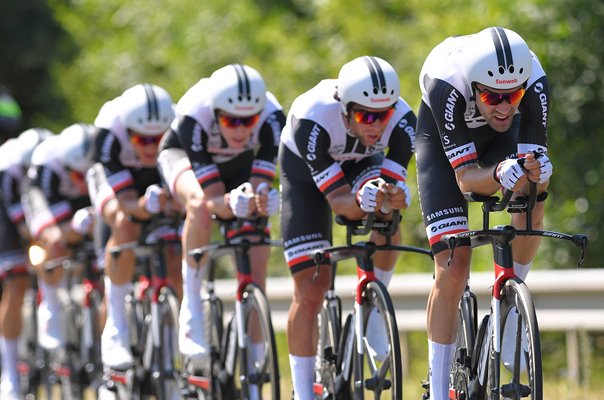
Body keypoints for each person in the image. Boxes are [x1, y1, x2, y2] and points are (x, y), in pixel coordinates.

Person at [415, 27, 552, 399]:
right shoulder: (448, 84)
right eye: (493, 96)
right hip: (446, 150)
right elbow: (465, 181)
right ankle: (439, 387)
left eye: (514, 96)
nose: (506, 106)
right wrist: (495, 172)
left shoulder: (535, 82)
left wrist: (536, 172)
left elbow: (532, 168)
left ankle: (509, 304)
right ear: (475, 87)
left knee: (533, 200)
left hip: (503, 140)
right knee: (453, 264)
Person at [279, 55, 416, 399]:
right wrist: (361, 201)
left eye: (382, 115)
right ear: (345, 109)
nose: (376, 125)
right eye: (365, 116)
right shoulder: (313, 119)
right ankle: (302, 391)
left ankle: (372, 309)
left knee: (385, 214)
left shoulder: (404, 123)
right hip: (305, 177)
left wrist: (394, 196)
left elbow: (390, 189)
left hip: (360, 164)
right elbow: (340, 201)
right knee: (312, 287)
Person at [157, 63, 286, 374]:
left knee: (257, 258)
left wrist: (260, 200)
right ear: (215, 113)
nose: (241, 130)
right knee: (200, 205)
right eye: (231, 121)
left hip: (239, 166)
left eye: (249, 121)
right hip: (183, 158)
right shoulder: (194, 112)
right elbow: (214, 198)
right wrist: (231, 202)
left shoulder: (273, 118)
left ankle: (255, 358)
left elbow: (259, 184)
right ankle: (192, 305)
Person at [87, 83, 180, 371]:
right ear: (128, 133)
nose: (152, 147)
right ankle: (115, 330)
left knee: (175, 249)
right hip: (116, 184)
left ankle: (168, 362)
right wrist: (143, 206)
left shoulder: (178, 124)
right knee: (123, 223)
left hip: (156, 179)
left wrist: (171, 203)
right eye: (143, 140)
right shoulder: (109, 133)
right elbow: (126, 202)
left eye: (158, 138)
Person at [21, 123, 96, 355]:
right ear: (66, 167)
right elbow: (57, 228)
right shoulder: (48, 165)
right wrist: (73, 228)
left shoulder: (93, 165)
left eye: (87, 174)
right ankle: (51, 304)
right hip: (47, 199)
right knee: (54, 241)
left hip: (79, 202)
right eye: (76, 174)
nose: (82, 181)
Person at [0, 128, 52, 399]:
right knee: (17, 281)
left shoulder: (51, 165)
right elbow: (22, 224)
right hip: (5, 220)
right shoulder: (9, 170)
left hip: (31, 211)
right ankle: (9, 375)